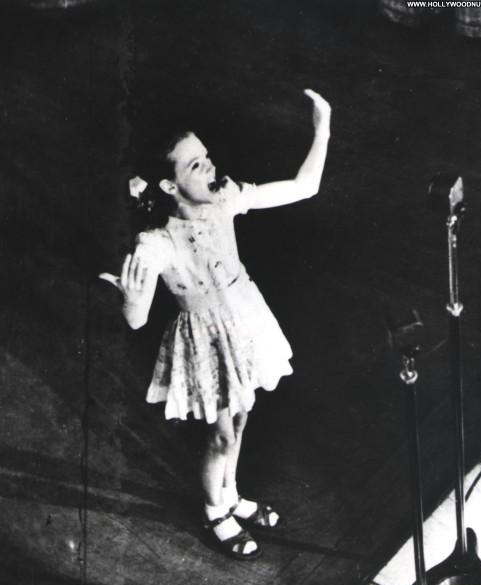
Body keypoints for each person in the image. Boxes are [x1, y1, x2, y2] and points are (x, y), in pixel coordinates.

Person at [100, 89, 331, 560]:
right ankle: (214, 510)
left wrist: (322, 128)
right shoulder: (156, 242)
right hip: (206, 340)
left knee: (240, 418)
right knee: (221, 434)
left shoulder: (226, 199)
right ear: (169, 186)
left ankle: (231, 496)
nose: (210, 167)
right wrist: (131, 299)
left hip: (244, 320)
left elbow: (304, 187)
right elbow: (137, 321)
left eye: (205, 157)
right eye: (195, 165)